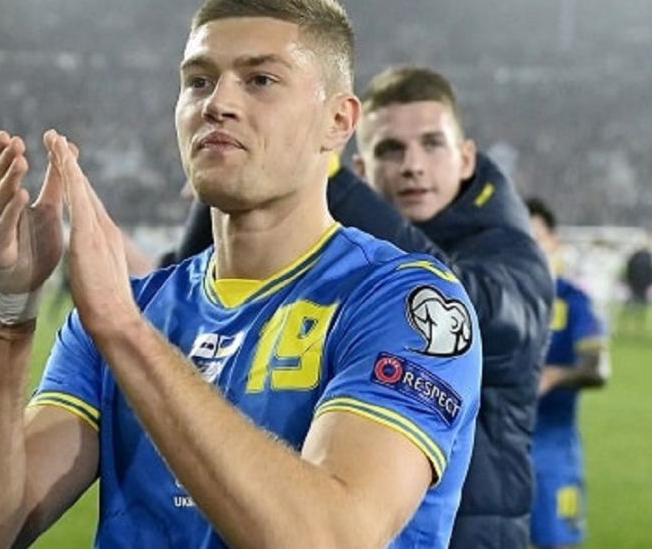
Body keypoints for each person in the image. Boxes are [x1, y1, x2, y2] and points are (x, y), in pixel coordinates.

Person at [0, 0, 483, 548]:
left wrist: (126, 334)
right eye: (198, 81)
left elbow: (329, 538)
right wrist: (9, 311)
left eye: (260, 80)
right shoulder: (134, 310)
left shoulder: (403, 304)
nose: (217, 103)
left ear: (338, 122)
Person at [166, 63, 553, 549]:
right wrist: (230, 194)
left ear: (466, 159)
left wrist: (331, 179)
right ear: (364, 169)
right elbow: (196, 305)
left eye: (432, 144)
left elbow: (476, 319)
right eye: (391, 149)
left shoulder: (509, 252)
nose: (413, 165)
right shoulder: (329, 259)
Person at [526, 197, 609, 549]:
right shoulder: (489, 298)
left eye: (535, 238)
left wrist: (553, 376)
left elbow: (597, 369)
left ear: (553, 242)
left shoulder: (574, 301)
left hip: (553, 448)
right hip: (492, 447)